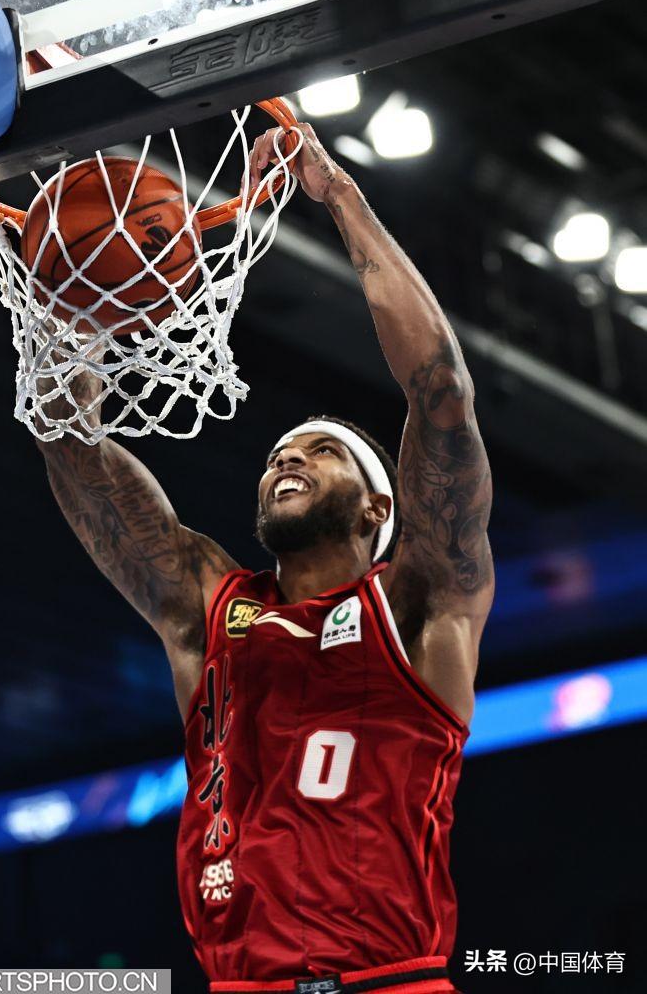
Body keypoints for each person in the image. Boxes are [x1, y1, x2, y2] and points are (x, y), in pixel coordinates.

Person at [36, 123, 493, 994]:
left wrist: (340, 198)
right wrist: (73, 309)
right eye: (281, 452)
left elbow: (441, 393)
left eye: (321, 452)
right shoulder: (208, 607)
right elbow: (70, 446)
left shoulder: (417, 605)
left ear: (379, 508)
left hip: (387, 980)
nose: (289, 458)